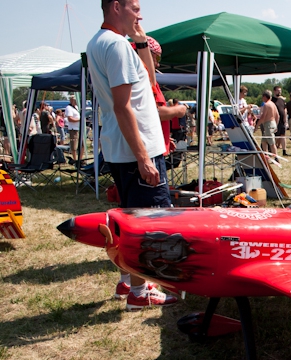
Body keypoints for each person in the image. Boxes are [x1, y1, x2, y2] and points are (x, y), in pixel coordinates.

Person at [87, 0, 177, 310]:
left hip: (122, 148)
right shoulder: (114, 45)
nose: (140, 14)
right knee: (151, 224)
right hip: (136, 150)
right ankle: (140, 292)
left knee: (131, 220)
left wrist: (140, 40)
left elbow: (149, 81)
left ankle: (129, 283)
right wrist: (142, 157)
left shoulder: (106, 42)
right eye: (135, 7)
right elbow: (123, 105)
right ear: (116, 6)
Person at [254, 90, 279, 158]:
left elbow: (263, 117)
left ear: (265, 97)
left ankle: (276, 158)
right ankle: (266, 156)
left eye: (262, 96)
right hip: (272, 123)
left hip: (268, 124)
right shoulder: (273, 104)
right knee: (264, 141)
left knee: (271, 143)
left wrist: (257, 126)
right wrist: (276, 125)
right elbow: (277, 116)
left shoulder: (266, 105)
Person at [272, 85, 288, 156]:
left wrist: (285, 119)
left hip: (282, 121)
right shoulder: (272, 100)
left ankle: (284, 151)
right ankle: (274, 152)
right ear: (274, 91)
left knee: (283, 135)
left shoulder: (282, 100)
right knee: (275, 136)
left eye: (280, 91)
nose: (279, 92)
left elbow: (285, 109)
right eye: (278, 90)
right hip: (275, 121)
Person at [65, 95, 82, 161]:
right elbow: (70, 119)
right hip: (73, 129)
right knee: (74, 146)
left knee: (82, 145)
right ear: (71, 100)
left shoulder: (77, 107)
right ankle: (75, 160)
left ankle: (80, 160)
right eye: (75, 100)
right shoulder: (69, 108)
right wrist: (79, 120)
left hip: (80, 128)